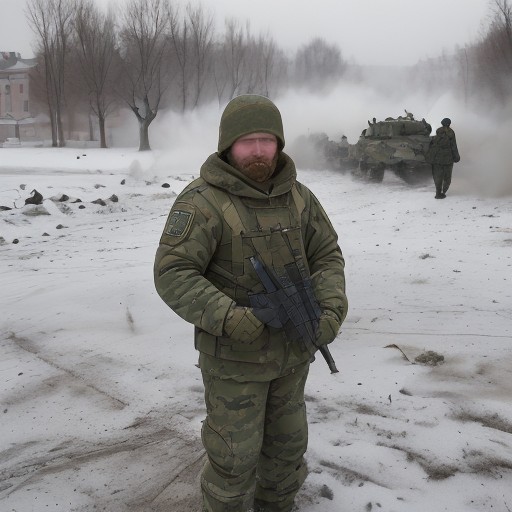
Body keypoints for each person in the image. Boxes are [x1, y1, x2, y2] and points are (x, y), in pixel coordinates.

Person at [153, 94, 348, 512]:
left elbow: (327, 256)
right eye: (247, 141)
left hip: (293, 355)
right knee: (233, 461)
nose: (258, 150)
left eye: (267, 140)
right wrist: (229, 317)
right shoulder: (202, 202)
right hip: (234, 363)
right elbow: (173, 271)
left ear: (279, 144)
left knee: (286, 454)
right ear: (228, 145)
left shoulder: (299, 198)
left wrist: (331, 309)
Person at [426, 117, 460, 199]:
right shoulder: (451, 133)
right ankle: (444, 191)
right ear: (449, 124)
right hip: (448, 159)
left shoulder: (438, 132)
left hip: (436, 159)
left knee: (438, 176)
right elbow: (453, 146)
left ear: (442, 123)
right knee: (447, 178)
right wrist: (456, 157)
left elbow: (432, 145)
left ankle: (438, 193)